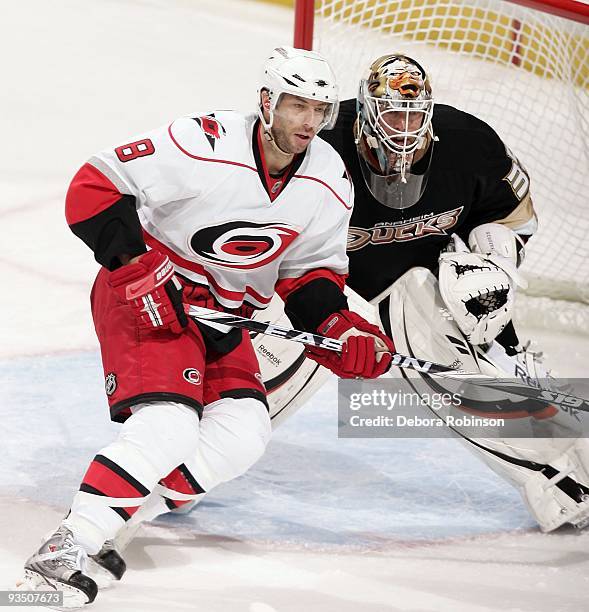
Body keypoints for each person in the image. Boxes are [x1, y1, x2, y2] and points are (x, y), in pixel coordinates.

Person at [86, 52, 589, 584]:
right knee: (262, 393)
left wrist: (491, 266)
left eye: (415, 116)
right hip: (307, 280)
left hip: (418, 274)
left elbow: (514, 218)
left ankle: (559, 479)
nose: (404, 128)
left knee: (455, 358)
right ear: (366, 113)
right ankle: (146, 493)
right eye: (392, 115)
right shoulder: (320, 149)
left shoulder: (469, 143)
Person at [18, 46, 395, 607]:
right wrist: (137, 268)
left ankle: (120, 520)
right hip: (148, 294)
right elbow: (93, 188)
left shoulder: (328, 177)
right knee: (169, 424)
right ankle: (65, 547)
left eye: (320, 110)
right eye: (297, 106)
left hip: (225, 315)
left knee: (243, 434)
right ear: (267, 101)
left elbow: (310, 272)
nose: (310, 123)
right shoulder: (202, 143)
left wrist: (337, 327)